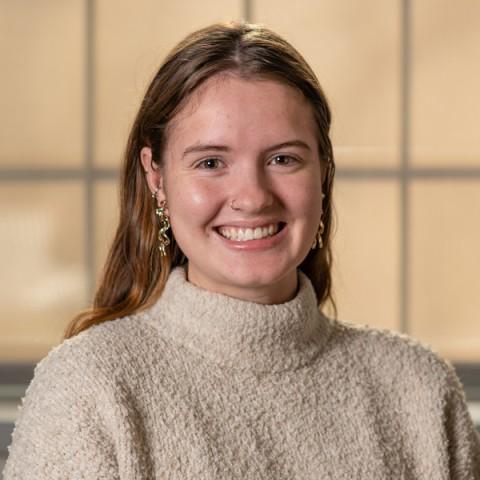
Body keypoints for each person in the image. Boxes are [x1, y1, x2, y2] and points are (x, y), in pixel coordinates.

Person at [4, 21, 480, 479]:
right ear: (157, 176)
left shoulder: (420, 390)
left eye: (282, 159)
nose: (252, 197)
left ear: (324, 171)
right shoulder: (89, 388)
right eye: (211, 162)